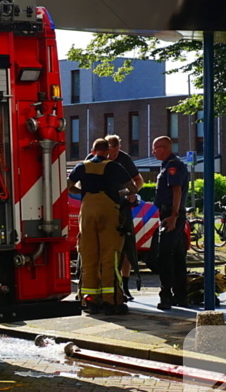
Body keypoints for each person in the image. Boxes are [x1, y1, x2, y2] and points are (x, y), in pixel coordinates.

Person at [68, 138, 138, 315]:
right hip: (109, 211)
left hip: (87, 212)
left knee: (89, 257)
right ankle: (112, 301)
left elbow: (69, 187)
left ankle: (90, 300)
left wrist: (82, 192)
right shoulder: (114, 166)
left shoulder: (81, 166)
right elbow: (133, 187)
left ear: (92, 151)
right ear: (107, 152)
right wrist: (121, 192)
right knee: (110, 256)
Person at [106, 134, 145, 300]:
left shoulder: (125, 159)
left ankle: (125, 286)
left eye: (114, 154)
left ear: (119, 149)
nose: (111, 157)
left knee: (126, 247)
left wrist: (132, 194)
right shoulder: (96, 157)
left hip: (122, 207)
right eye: (109, 154)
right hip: (105, 207)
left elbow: (139, 180)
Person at [152, 135, 189, 310]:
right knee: (178, 256)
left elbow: (177, 191)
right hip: (170, 213)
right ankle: (181, 295)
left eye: (155, 148)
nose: (153, 152)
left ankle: (166, 296)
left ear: (164, 148)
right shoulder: (168, 165)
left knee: (164, 255)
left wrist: (173, 215)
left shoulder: (173, 165)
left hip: (170, 215)